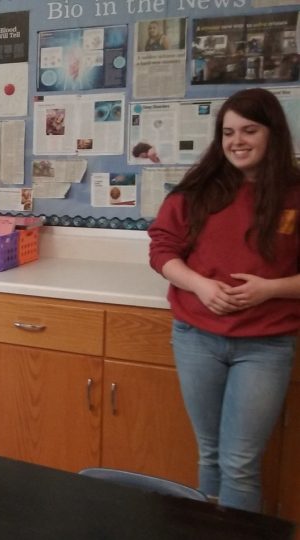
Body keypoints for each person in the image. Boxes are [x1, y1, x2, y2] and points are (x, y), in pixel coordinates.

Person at [148, 87, 300, 511]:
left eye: (249, 130)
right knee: (211, 453)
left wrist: (269, 288)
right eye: (228, 132)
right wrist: (199, 284)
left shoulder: (294, 194)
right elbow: (162, 250)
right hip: (196, 337)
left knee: (239, 464)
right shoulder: (197, 191)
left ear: (273, 134)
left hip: (266, 345)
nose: (237, 141)